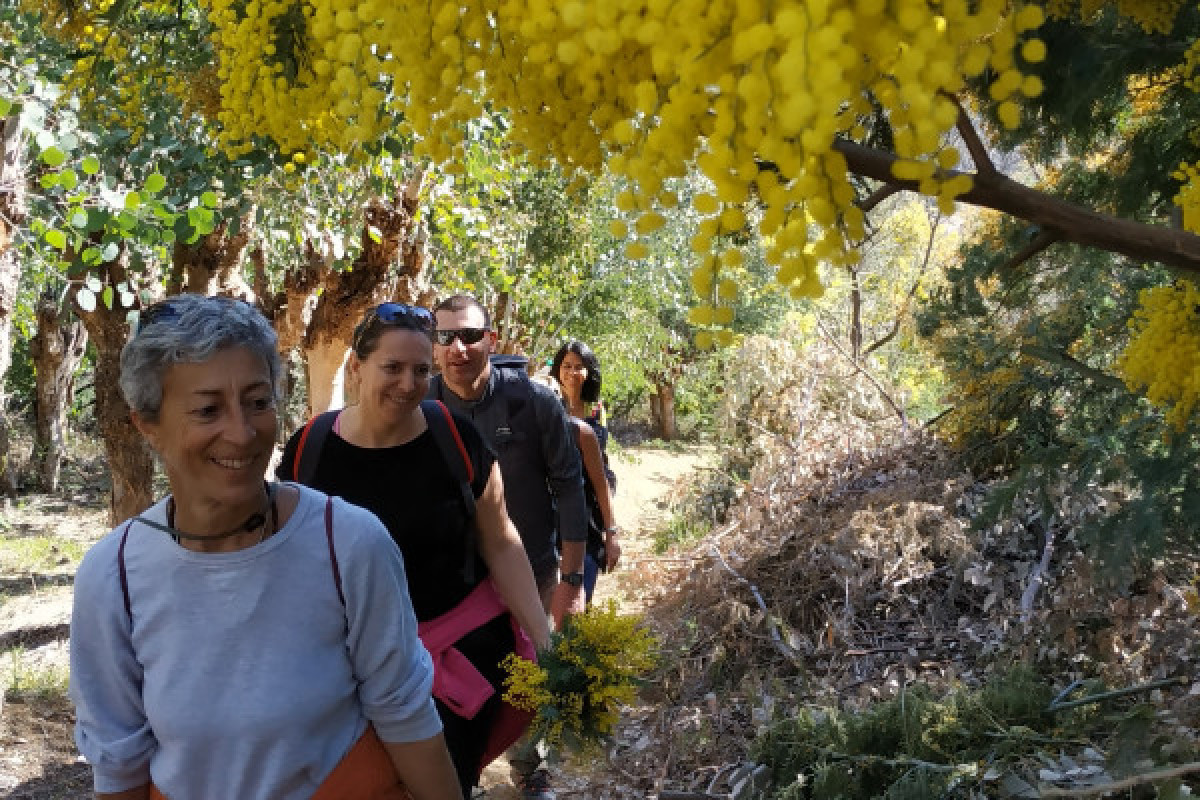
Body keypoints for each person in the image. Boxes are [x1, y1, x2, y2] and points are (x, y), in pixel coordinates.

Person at [69, 293, 462, 800]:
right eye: (208, 410)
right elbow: (118, 764)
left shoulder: (348, 544)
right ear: (148, 424)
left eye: (258, 401)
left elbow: (405, 713)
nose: (242, 431)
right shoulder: (113, 577)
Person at [276, 302, 551, 799]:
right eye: (393, 368)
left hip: (456, 661)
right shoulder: (308, 449)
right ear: (356, 368)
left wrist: (545, 639)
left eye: (421, 370)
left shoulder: (456, 438)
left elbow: (501, 541)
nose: (408, 384)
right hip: (345, 670)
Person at [428, 294, 588, 800]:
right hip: (454, 583)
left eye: (471, 335)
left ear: (491, 341)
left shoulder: (534, 403)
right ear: (434, 348)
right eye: (446, 337)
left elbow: (568, 488)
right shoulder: (421, 405)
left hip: (534, 569)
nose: (459, 347)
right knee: (459, 685)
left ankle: (528, 768)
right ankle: (462, 774)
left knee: (533, 674)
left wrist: (572, 579)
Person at [550, 340, 622, 604]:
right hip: (552, 510)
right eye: (566, 366)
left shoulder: (596, 410)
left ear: (589, 371)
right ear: (558, 369)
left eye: (579, 367)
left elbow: (600, 476)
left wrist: (611, 532)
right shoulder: (548, 407)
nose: (572, 373)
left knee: (580, 592)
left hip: (587, 508)